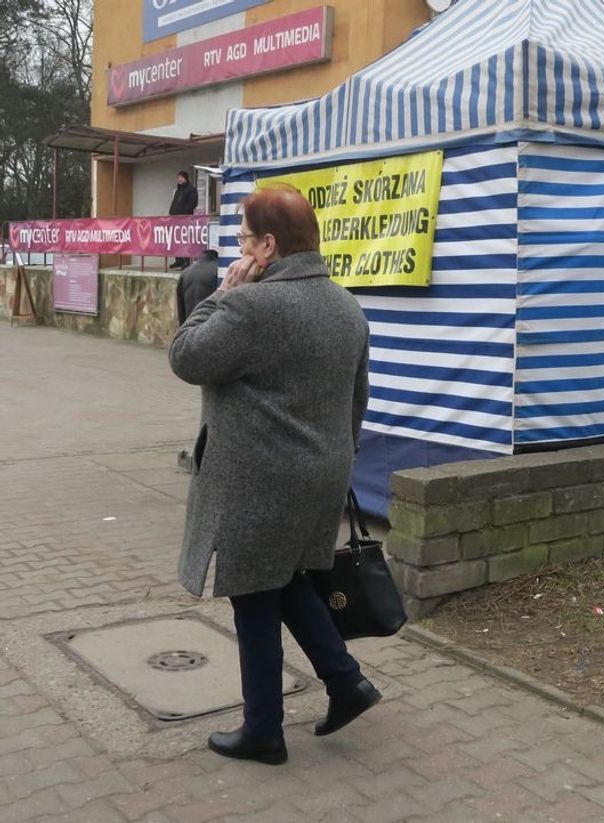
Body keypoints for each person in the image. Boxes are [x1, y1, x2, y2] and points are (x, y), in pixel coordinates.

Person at [168, 184, 378, 766]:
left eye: (241, 238)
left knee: (254, 594)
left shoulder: (249, 306)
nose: (237, 248)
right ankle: (347, 681)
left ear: (267, 245)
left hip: (259, 481)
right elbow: (356, 399)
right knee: (284, 579)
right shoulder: (346, 305)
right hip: (322, 475)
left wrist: (222, 292)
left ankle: (264, 731)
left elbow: (186, 357)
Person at [175, 249, 219, 324]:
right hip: (210, 324)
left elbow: (180, 307)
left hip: (189, 324)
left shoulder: (185, 272)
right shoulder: (218, 271)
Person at [169, 170, 199, 269]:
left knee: (184, 240)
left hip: (185, 219)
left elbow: (193, 203)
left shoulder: (191, 190)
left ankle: (186, 260)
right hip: (175, 219)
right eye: (178, 178)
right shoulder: (178, 191)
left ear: (185, 178)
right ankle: (178, 260)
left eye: (181, 178)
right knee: (176, 240)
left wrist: (184, 213)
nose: (179, 180)